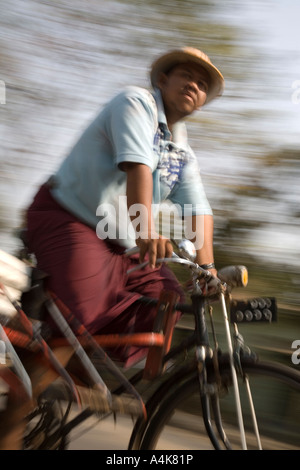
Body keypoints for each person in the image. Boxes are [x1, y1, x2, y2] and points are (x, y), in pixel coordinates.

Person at [25, 47, 224, 367]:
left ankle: (76, 371)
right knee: (84, 311)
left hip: (120, 240)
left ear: (202, 100)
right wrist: (146, 229)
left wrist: (208, 271)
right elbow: (138, 167)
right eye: (186, 75)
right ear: (163, 80)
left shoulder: (182, 149)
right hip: (69, 216)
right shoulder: (134, 103)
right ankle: (27, 397)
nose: (193, 86)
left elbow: (197, 210)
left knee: (167, 299)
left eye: (201, 84)